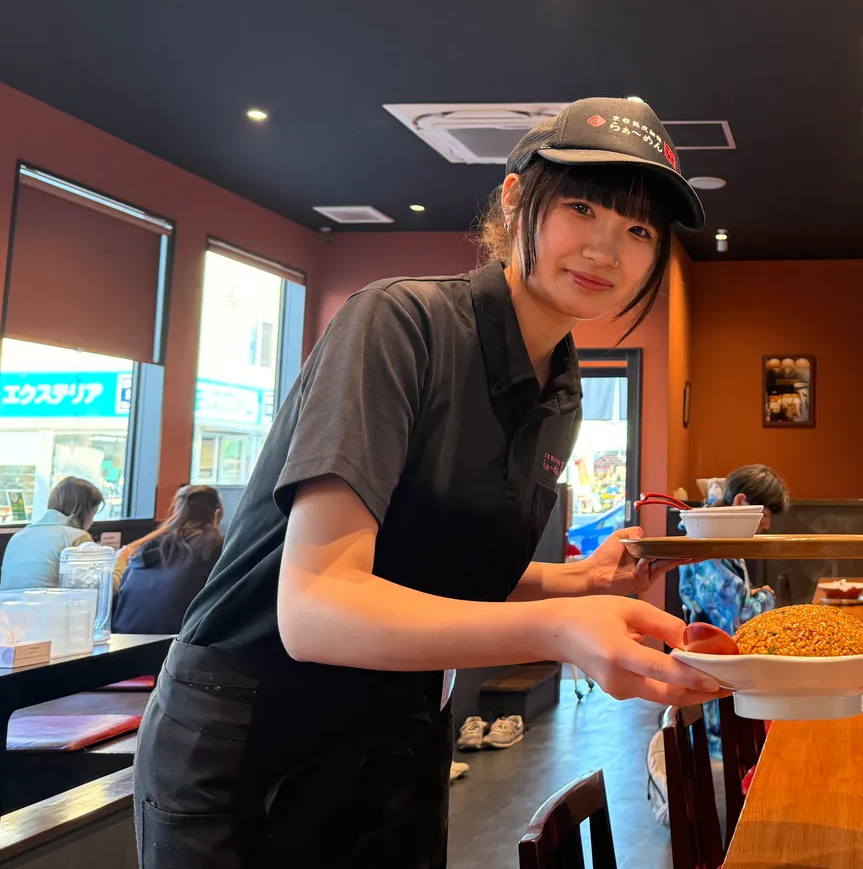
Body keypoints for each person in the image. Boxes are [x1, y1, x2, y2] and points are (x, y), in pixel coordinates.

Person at [133, 98, 720, 868]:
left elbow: (435, 570)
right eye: (583, 205)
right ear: (515, 198)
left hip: (395, 734)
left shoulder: (562, 394)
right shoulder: (398, 326)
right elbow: (316, 606)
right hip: (250, 743)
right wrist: (558, 630)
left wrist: (571, 581)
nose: (607, 249)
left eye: (639, 229)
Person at [677, 464, 787, 759]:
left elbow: (728, 597)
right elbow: (737, 618)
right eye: (764, 516)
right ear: (741, 502)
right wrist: (764, 596)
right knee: (738, 767)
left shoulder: (715, 531)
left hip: (722, 666)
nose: (766, 526)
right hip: (717, 671)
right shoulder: (708, 539)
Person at [111, 485, 225, 634]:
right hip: (173, 643)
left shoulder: (147, 545)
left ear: (176, 512)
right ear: (217, 514)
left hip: (122, 637)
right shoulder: (214, 545)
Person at [0, 477, 101, 589]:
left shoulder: (18, 537)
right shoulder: (77, 537)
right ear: (82, 512)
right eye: (93, 515)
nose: (92, 522)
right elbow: (97, 589)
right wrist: (119, 561)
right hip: (51, 606)